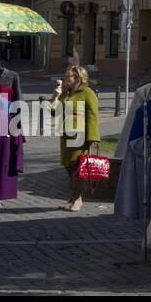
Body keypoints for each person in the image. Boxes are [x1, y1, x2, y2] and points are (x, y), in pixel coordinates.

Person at [52, 60, 100, 212]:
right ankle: (72, 198)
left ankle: (78, 199)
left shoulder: (88, 93)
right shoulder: (66, 93)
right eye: (66, 76)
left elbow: (93, 116)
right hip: (66, 135)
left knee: (77, 169)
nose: (66, 79)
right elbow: (53, 111)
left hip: (80, 137)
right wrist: (55, 96)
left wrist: (93, 137)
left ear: (78, 78)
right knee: (68, 167)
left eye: (69, 77)